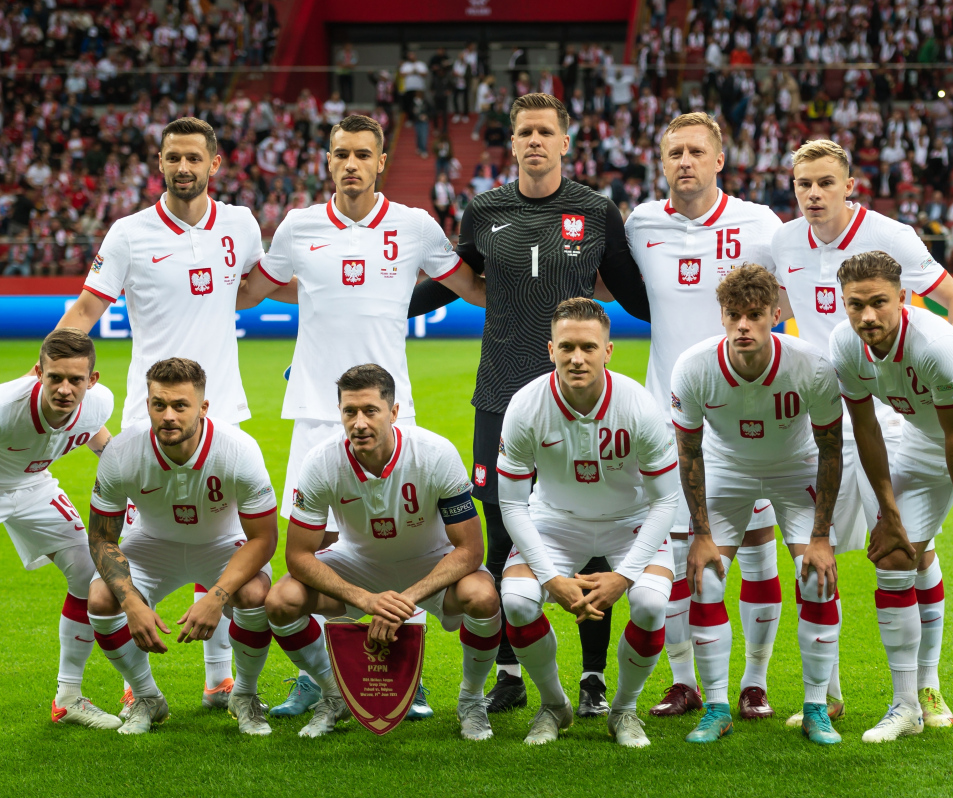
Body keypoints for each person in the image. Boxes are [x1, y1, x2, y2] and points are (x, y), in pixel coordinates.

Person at [407, 92, 653, 717]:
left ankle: (592, 678)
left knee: (588, 523)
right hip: (501, 395)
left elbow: (634, 293)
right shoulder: (484, 210)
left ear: (565, 142)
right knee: (498, 529)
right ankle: (510, 671)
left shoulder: (596, 211)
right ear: (512, 142)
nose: (535, 141)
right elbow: (453, 281)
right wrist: (381, 309)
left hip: (580, 400)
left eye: (546, 131)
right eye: (525, 132)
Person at [236, 114, 485, 716]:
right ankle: (322, 679)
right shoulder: (298, 226)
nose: (351, 164)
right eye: (341, 153)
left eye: (362, 154)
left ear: (380, 162)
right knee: (316, 551)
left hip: (392, 413)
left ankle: (404, 676)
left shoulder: (414, 225)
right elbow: (244, 293)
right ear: (328, 160)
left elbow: (475, 288)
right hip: (315, 411)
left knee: (400, 543)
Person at [54, 116, 266, 711]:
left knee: (219, 545)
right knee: (140, 547)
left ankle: (219, 680)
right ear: (160, 163)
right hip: (149, 420)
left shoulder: (241, 223)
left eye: (194, 157)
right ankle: (137, 687)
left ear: (214, 163)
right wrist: (39, 375)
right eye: (173, 157)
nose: (183, 167)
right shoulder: (129, 233)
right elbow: (87, 308)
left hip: (223, 412)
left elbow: (257, 286)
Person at [770, 138, 953, 728]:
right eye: (804, 184)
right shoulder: (784, 241)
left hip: (892, 412)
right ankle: (826, 695)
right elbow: (781, 309)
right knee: (814, 553)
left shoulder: (892, 236)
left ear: (849, 185)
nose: (814, 194)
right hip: (817, 418)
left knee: (910, 548)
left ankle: (927, 691)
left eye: (825, 183)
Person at [626, 112, 788, 720]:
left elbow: (790, 300)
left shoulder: (759, 223)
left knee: (758, 553)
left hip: (748, 421)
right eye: (675, 153)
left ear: (720, 160)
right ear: (662, 162)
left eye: (697, 151)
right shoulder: (640, 224)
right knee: (676, 554)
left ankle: (755, 682)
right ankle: (683, 681)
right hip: (667, 420)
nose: (685, 161)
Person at [830, 251, 953, 752]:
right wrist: (889, 515)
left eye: (878, 302)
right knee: (895, 558)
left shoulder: (935, 344)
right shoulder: (844, 344)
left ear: (903, 298)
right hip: (919, 439)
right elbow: (866, 428)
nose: (867, 316)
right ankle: (906, 706)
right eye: (855, 305)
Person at [266, 364, 502, 741]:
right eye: (349, 411)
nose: (359, 423)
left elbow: (471, 549)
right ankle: (334, 693)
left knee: (483, 596)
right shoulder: (320, 462)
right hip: (357, 564)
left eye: (370, 411)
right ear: (339, 412)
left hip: (430, 563)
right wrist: (365, 599)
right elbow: (298, 556)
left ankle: (471, 700)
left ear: (393, 412)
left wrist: (404, 601)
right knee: (281, 600)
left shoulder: (435, 453)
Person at [671, 266, 845, 745]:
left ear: (776, 314)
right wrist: (702, 534)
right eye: (734, 315)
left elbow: (831, 450)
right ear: (721, 316)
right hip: (727, 471)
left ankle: (816, 709)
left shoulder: (811, 366)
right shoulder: (693, 366)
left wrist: (820, 537)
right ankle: (716, 708)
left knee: (817, 578)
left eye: (754, 315)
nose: (743, 325)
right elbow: (689, 453)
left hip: (795, 469)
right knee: (706, 579)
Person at [496, 298, 678, 747]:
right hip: (555, 521)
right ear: (551, 349)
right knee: (517, 601)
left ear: (608, 351)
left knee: (650, 604)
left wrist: (624, 575)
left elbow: (665, 500)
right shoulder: (525, 405)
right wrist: (550, 577)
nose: (577, 358)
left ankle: (624, 709)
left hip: (629, 521)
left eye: (588, 347)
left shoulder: (639, 406)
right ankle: (553, 705)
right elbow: (513, 504)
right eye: (567, 347)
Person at [0, 329, 119, 742]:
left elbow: (97, 435)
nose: (65, 389)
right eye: (55, 378)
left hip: (34, 486)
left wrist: (132, 484)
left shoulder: (99, 403)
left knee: (89, 575)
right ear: (39, 373)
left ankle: (68, 699)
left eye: (76, 380)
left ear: (92, 380)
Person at [86, 358, 279, 736]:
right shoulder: (121, 452)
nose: (168, 416)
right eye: (159, 405)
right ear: (147, 405)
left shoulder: (238, 449)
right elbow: (102, 538)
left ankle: (244, 694)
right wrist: (131, 602)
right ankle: (146, 697)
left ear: (203, 408)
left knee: (255, 594)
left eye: (180, 406)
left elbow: (264, 538)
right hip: (151, 543)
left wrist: (216, 596)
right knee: (101, 599)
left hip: (221, 543)